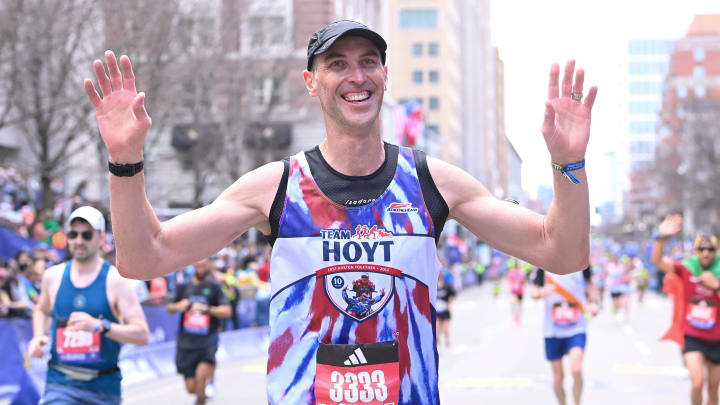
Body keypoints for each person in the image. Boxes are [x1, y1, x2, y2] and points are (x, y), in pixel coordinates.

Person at [84, 19, 597, 404]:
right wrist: (125, 161)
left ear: (386, 74)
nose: (357, 76)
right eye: (337, 64)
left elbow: (563, 251)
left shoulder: (433, 183)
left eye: (368, 61)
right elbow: (144, 258)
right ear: (311, 82)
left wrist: (568, 163)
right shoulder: (276, 186)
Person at [27, 206, 149, 405]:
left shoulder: (116, 281)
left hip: (103, 387)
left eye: (86, 235)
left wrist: (101, 326)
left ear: (101, 238)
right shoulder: (53, 276)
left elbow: (142, 335)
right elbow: (41, 309)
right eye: (73, 234)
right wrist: (38, 335)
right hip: (60, 383)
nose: (79, 241)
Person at [651, 214, 720, 405]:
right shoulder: (687, 268)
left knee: (713, 388)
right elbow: (657, 261)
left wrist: (715, 286)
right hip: (693, 335)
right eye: (702, 249)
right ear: (695, 251)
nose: (706, 253)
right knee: (697, 382)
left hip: (717, 338)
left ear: (717, 250)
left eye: (710, 249)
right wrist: (660, 237)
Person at [167, 257, 231, 405]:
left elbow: (227, 311)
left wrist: (207, 309)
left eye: (203, 266)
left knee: (201, 379)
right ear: (193, 266)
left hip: (207, 341)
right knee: (192, 388)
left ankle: (202, 397)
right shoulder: (184, 286)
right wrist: (179, 306)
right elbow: (169, 307)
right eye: (198, 266)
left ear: (208, 265)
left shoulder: (214, 286)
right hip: (186, 343)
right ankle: (203, 389)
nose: (200, 269)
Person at [530, 266, 598, 405]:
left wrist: (593, 303)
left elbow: (591, 283)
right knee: (558, 377)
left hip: (576, 327)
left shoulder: (581, 260)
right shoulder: (543, 264)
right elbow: (534, 291)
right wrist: (542, 293)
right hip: (552, 330)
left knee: (576, 368)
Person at [435, 271, 456, 351]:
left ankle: (447, 339)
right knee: (437, 330)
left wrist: (449, 304)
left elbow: (453, 295)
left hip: (445, 311)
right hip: (437, 312)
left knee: (445, 330)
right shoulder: (433, 287)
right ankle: (438, 346)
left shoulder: (447, 286)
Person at [507, 259, 525, 326]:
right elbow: (523, 281)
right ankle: (517, 317)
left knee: (515, 304)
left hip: (514, 291)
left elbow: (509, 281)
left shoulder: (511, 271)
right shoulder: (521, 271)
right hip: (519, 291)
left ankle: (516, 316)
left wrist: (511, 287)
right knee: (519, 304)